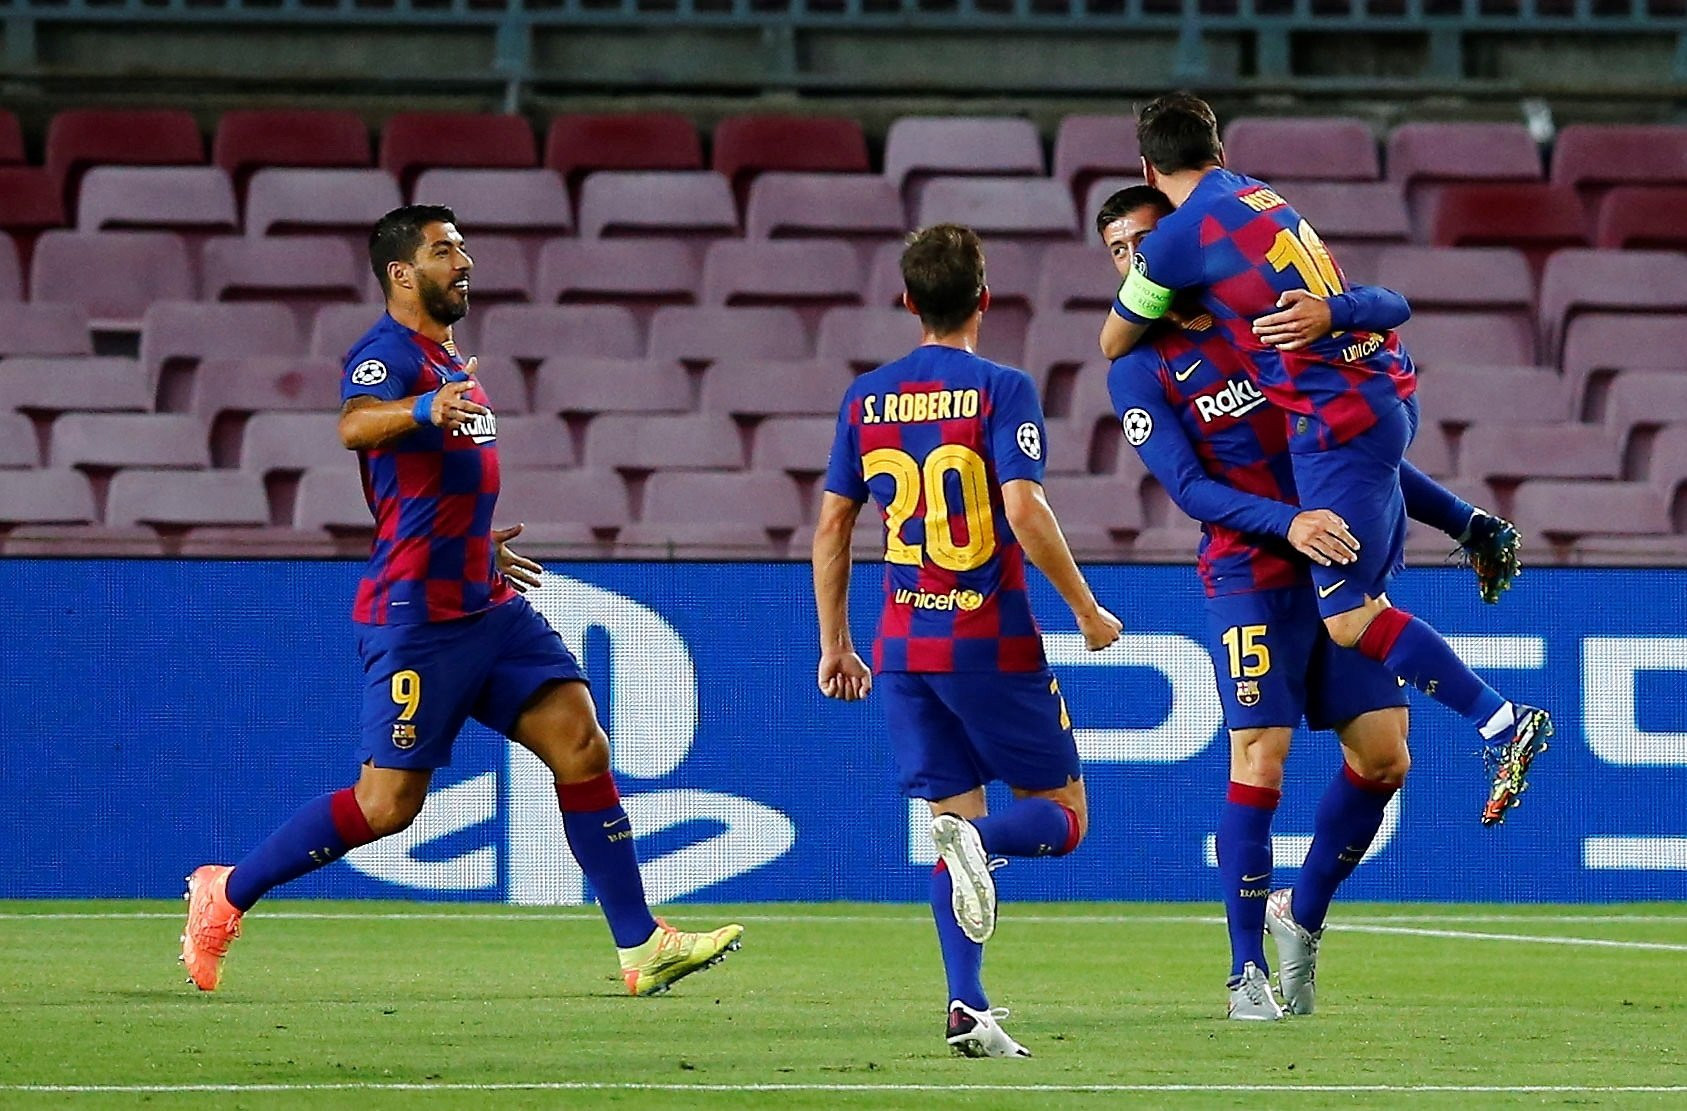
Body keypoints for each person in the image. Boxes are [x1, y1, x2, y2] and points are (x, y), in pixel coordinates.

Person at [180, 204, 742, 996]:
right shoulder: (386, 357)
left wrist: (478, 540)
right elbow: (352, 427)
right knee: (388, 806)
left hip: (485, 600)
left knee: (581, 743)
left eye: (464, 248)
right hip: (418, 617)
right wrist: (420, 408)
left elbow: (434, 482)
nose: (464, 261)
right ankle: (227, 891)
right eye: (444, 251)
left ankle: (640, 944)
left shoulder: (449, 361)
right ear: (401, 273)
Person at [1098, 185, 1521, 1020]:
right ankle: (1242, 970)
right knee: (1259, 759)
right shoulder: (1136, 368)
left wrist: (1461, 519)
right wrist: (1288, 524)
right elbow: (1188, 488)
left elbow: (1359, 458)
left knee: (1385, 758)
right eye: (1119, 250)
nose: (1136, 257)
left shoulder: (1256, 321)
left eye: (1146, 239)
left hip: (1332, 565)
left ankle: (1302, 915)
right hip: (1250, 574)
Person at [1099, 94, 1549, 828]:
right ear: (1217, 147)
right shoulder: (1263, 200)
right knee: (1356, 522)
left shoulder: (1179, 242)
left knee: (1346, 621)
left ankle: (1502, 722)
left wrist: (1149, 279)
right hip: (1376, 389)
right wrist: (1331, 313)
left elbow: (1112, 340)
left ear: (1148, 167)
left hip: (1332, 413)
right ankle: (1474, 531)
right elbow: (1383, 301)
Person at [812, 224, 1121, 1057]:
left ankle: (965, 1006)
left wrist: (835, 643)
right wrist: (1087, 611)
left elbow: (834, 523)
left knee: (951, 815)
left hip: (903, 646)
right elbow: (1021, 511)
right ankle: (977, 846)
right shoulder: (1002, 388)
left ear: (907, 300)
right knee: (1062, 816)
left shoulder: (866, 397)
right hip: (988, 639)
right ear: (985, 297)